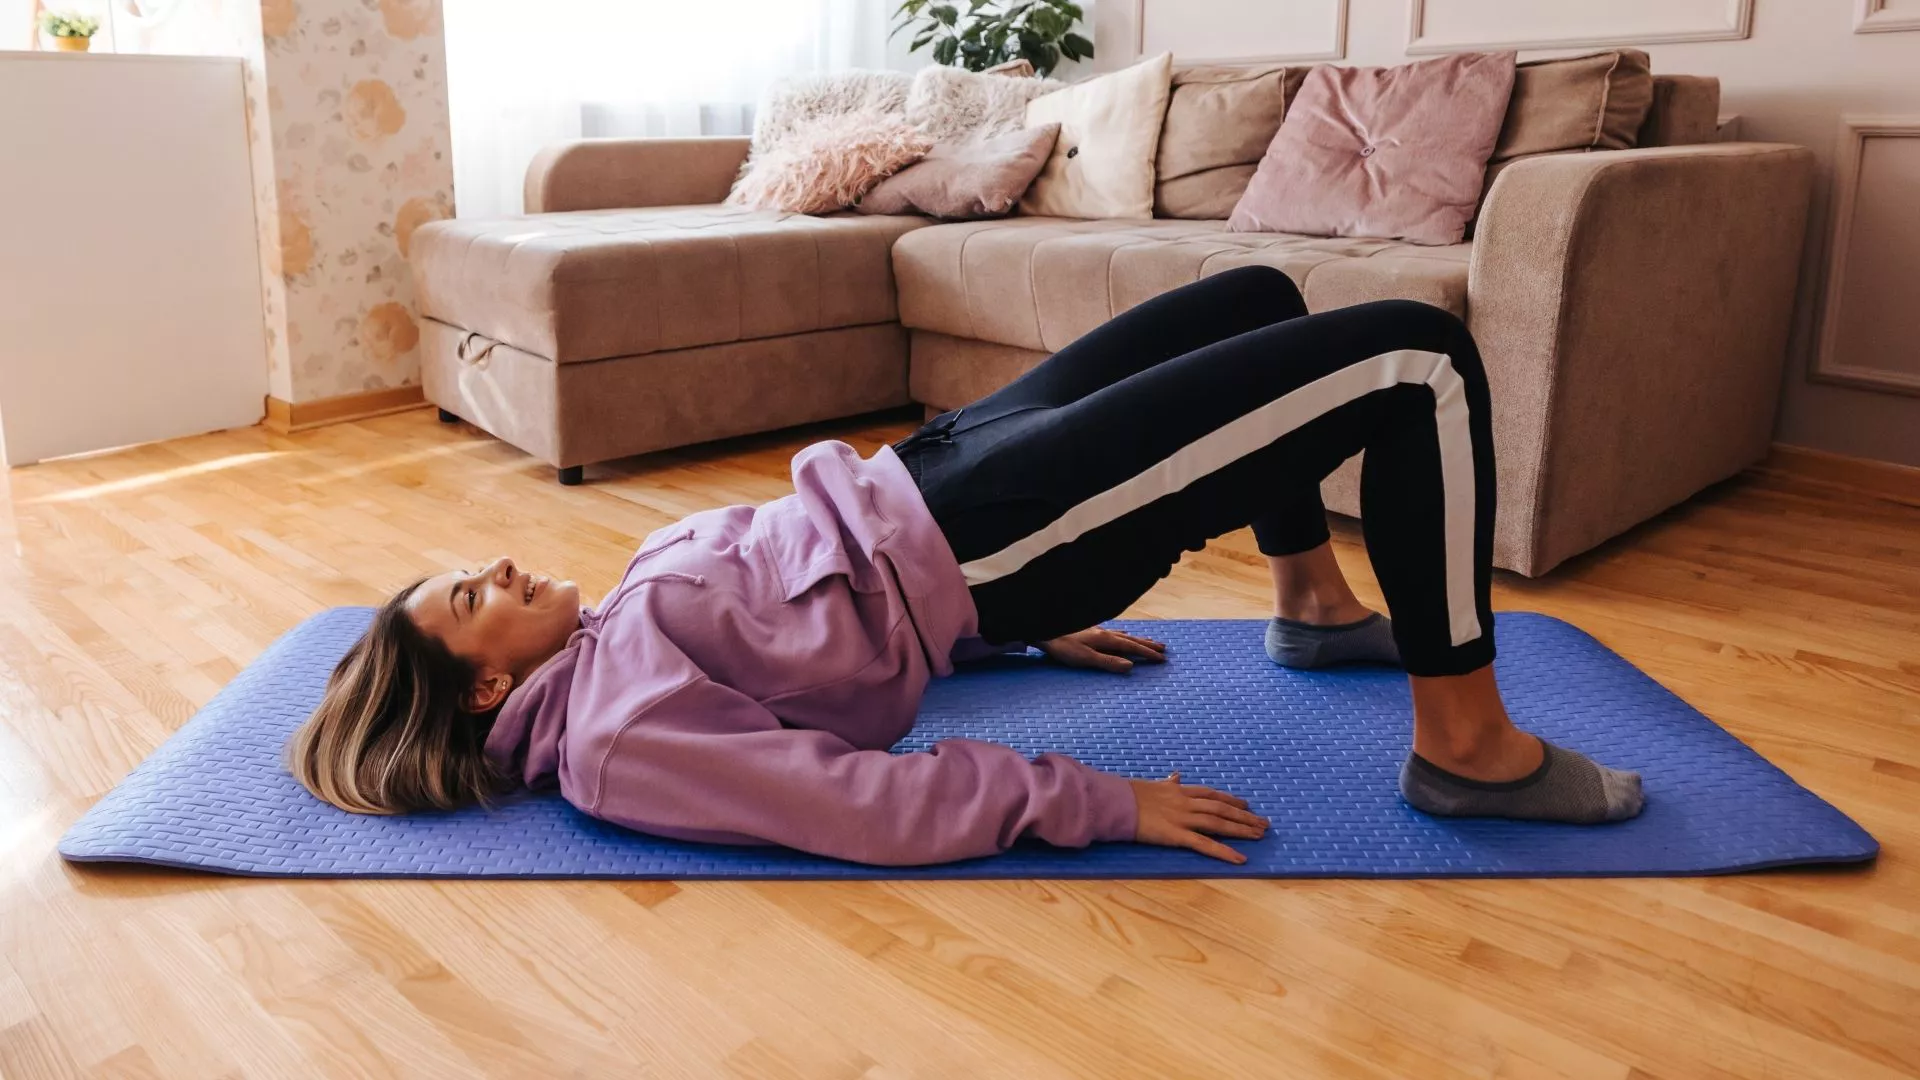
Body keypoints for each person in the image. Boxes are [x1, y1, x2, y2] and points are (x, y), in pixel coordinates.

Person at [286, 267, 1642, 868]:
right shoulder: (617, 739)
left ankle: (1312, 603)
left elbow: (812, 641)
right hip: (993, 534)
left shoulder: (603, 644)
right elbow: (850, 800)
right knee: (1412, 358)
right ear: (482, 691)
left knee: (1258, 301)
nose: (498, 564)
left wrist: (1013, 644)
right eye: (473, 598)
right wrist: (1096, 804)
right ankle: (1467, 748)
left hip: (941, 469)